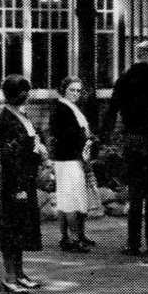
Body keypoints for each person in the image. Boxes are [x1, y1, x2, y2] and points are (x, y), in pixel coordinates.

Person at [102, 40, 148, 257]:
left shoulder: (124, 78)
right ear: (147, 56)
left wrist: (107, 136)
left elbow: (112, 110)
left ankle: (132, 244)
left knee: (135, 194)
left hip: (132, 142)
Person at [0, 75, 46, 294]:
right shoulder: (5, 122)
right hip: (15, 183)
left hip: (26, 179)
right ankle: (10, 275)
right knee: (11, 230)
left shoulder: (22, 116)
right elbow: (11, 158)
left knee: (21, 229)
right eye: (23, 92)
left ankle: (20, 273)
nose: (26, 96)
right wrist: (19, 187)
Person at [50, 77, 95, 253]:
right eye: (72, 90)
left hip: (76, 158)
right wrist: (83, 138)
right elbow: (64, 135)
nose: (76, 93)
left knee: (78, 198)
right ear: (64, 90)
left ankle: (77, 236)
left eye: (78, 90)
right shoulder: (60, 109)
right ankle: (71, 238)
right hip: (67, 159)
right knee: (69, 199)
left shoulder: (73, 107)